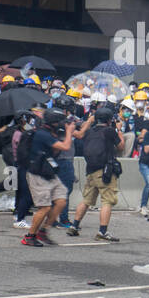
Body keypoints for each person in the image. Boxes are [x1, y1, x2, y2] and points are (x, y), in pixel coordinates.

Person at [66, 106, 122, 241]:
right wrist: (118, 129)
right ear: (109, 120)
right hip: (105, 172)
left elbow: (80, 134)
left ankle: (74, 226)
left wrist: (89, 121)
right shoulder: (110, 131)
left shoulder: (89, 132)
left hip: (90, 171)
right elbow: (121, 147)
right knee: (108, 200)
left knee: (86, 200)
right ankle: (102, 231)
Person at [23, 109, 75, 248]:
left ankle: (43, 231)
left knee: (61, 200)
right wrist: (69, 131)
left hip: (48, 172)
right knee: (44, 207)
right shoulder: (42, 134)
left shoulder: (50, 133)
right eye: (60, 122)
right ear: (54, 122)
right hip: (37, 174)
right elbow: (65, 146)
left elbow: (55, 150)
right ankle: (30, 236)